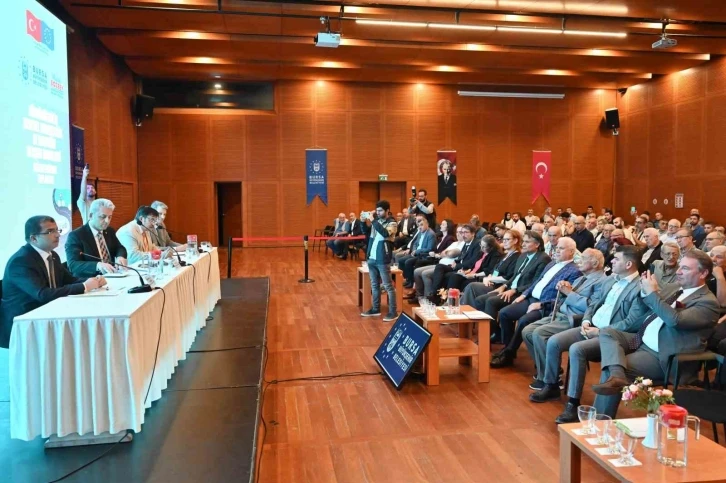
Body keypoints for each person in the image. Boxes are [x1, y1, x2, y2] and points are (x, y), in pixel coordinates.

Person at [592, 251, 720, 418]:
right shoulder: (676, 289)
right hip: (641, 340)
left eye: (685, 268)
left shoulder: (708, 302)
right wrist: (644, 291)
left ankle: (601, 421)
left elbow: (675, 320)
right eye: (680, 267)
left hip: (662, 355)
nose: (678, 272)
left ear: (703, 273)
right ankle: (617, 375)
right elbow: (649, 305)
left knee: (612, 367)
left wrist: (653, 294)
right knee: (608, 333)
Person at [529, 246, 648, 422]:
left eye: (616, 259)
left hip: (611, 336)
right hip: (590, 326)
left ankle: (573, 403)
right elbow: (593, 305)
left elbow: (632, 322)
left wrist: (599, 331)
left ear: (628, 264)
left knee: (577, 349)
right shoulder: (611, 280)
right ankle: (551, 385)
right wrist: (586, 321)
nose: (612, 261)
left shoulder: (639, 288)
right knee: (554, 341)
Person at [1, 216, 106, 348]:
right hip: (24, 325)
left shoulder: (53, 255)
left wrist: (94, 280)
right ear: (33, 238)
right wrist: (84, 286)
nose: (57, 235)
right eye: (50, 231)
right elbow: (42, 294)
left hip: (46, 316)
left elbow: (69, 280)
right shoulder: (21, 261)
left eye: (57, 230)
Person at [490, 237, 582, 368]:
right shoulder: (551, 264)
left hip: (546, 306)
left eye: (561, 248)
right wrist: (524, 295)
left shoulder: (575, 271)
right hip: (531, 299)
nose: (556, 251)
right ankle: (507, 346)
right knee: (505, 313)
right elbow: (536, 282)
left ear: (571, 252)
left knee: (524, 321)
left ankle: (509, 353)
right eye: (556, 248)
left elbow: (564, 298)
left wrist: (541, 304)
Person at [523, 249, 607, 391]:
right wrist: (563, 288)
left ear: (594, 263)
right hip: (560, 314)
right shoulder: (581, 278)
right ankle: (550, 370)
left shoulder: (602, 282)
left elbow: (591, 306)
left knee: (539, 333)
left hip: (574, 319)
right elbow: (566, 297)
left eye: (583, 258)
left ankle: (549, 379)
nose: (578, 261)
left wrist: (568, 292)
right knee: (527, 331)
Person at [473, 231, 550, 344]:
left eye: (527, 242)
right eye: (523, 241)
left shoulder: (543, 259)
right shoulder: (523, 255)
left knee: (491, 301)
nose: (523, 244)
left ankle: (486, 338)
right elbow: (515, 276)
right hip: (510, 288)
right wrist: (504, 286)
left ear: (537, 244)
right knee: (479, 300)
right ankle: (497, 332)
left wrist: (514, 290)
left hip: (522, 293)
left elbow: (535, 283)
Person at [65, 198, 128, 278]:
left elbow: (120, 248)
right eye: (103, 217)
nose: (107, 221)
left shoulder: (109, 231)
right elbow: (73, 265)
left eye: (109, 217)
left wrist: (120, 256)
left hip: (112, 276)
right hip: (90, 280)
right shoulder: (76, 235)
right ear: (91, 216)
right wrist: (97, 265)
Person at [360, 200, 399, 322]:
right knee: (374, 285)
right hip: (372, 257)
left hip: (383, 257)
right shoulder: (377, 221)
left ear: (387, 211)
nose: (378, 212)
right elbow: (366, 233)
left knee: (388, 286)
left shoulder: (392, 223)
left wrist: (373, 220)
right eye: (377, 210)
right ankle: (376, 308)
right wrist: (362, 221)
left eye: (380, 210)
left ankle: (393, 311)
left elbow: (385, 233)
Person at [397, 217, 436, 288]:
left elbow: (429, 248)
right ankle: (408, 279)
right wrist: (414, 250)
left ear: (427, 224)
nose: (420, 227)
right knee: (401, 260)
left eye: (422, 225)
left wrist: (417, 251)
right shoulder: (420, 233)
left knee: (408, 262)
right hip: (416, 253)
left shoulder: (431, 234)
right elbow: (415, 243)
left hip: (423, 255)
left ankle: (411, 282)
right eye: (419, 225)